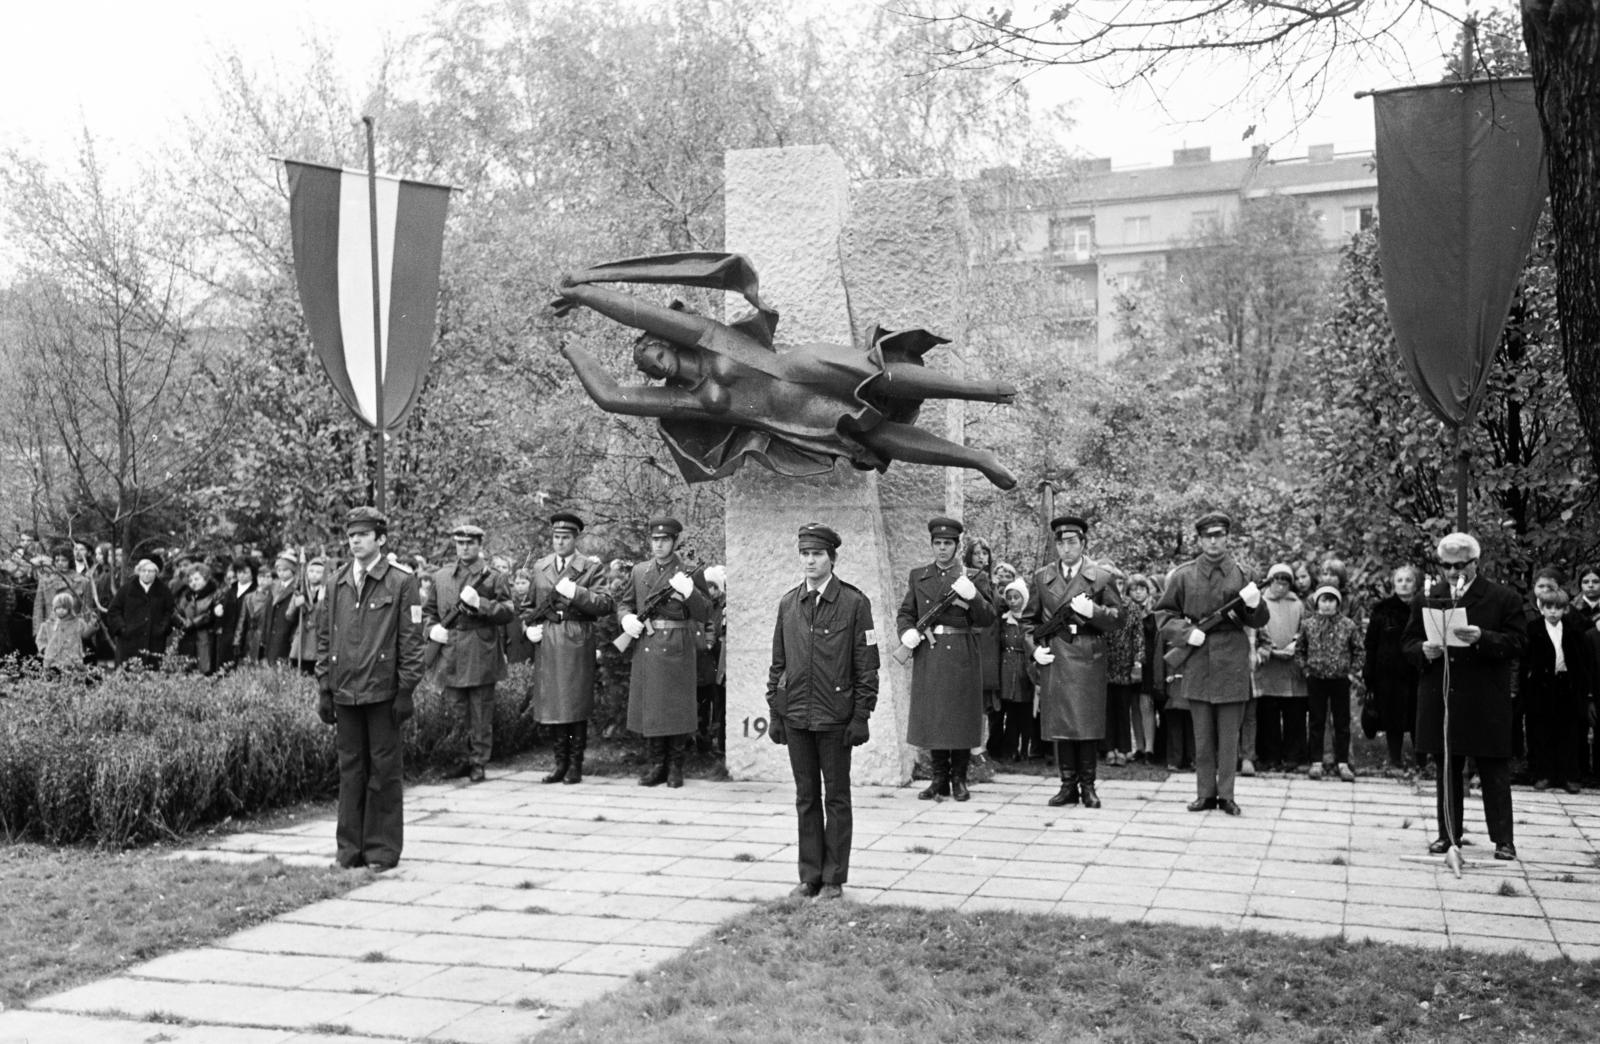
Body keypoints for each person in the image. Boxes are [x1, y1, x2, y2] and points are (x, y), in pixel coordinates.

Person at [552, 254, 1020, 489]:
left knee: (877, 375)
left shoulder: (701, 333)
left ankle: (980, 389)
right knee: (875, 437)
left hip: (803, 367)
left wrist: (585, 293)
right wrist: (573, 350)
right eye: (643, 367)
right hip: (794, 420)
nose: (647, 364)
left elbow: (635, 311)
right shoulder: (686, 399)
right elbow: (612, 397)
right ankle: (976, 458)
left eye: (647, 352)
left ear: (663, 342)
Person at [766, 523, 878, 901]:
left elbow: (867, 666)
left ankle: (833, 878)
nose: (810, 560)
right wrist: (776, 713)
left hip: (835, 718)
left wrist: (861, 715)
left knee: (837, 798)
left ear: (833, 557)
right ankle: (809, 875)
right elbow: (777, 664)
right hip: (797, 717)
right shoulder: (788, 603)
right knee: (806, 797)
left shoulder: (854, 603)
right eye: (805, 554)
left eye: (817, 554)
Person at [1402, 532, 1526, 861]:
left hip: (1485, 697)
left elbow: (1518, 642)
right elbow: (1408, 641)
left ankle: (1503, 839)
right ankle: (1448, 835)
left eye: (1461, 566)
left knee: (1494, 770)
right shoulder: (1428, 597)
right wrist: (1422, 651)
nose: (1454, 573)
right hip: (1443, 696)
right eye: (1447, 566)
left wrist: (1483, 638)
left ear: (1475, 562)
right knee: (1447, 768)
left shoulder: (1502, 598)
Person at [315, 507, 424, 871]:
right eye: (351, 535)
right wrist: (324, 688)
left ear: (380, 539)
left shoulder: (401, 582)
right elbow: (324, 638)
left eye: (363, 534)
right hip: (346, 691)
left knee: (384, 772)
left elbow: (411, 641)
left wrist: (406, 689)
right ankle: (349, 851)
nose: (355, 541)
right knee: (350, 771)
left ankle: (381, 850)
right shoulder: (336, 582)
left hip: (383, 692)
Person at [1154, 512, 1268, 816]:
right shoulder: (1183, 575)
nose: (1214, 541)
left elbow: (1259, 620)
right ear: (1200, 539)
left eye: (1219, 535)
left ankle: (1227, 795)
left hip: (1232, 658)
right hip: (1198, 659)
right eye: (1208, 536)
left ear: (1228, 537)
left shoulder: (1244, 573)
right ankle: (1205, 793)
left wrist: (1256, 605)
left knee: (1229, 736)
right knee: (1202, 736)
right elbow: (1163, 615)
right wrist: (1186, 633)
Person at [1022, 515, 1123, 807]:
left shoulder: (1101, 577)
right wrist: (1033, 649)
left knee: (1086, 723)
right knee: (1062, 723)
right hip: (1056, 653)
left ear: (1083, 543)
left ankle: (1088, 786)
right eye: (1061, 543)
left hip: (1088, 651)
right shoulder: (1042, 577)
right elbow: (1028, 621)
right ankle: (1067, 785)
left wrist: (1094, 612)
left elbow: (1120, 620)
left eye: (1072, 542)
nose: (1066, 549)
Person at [898, 516, 995, 802]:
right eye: (937, 543)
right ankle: (939, 779)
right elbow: (907, 612)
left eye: (948, 544)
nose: (942, 549)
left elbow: (988, 617)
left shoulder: (974, 577)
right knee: (936, 715)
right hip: (931, 650)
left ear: (956, 545)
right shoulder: (919, 575)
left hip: (962, 649)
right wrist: (906, 633)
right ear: (931, 545)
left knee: (960, 715)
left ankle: (959, 779)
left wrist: (974, 596)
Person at [618, 517, 711, 788]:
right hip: (648, 642)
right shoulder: (640, 571)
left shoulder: (689, 570)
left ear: (674, 542)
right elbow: (624, 604)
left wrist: (690, 592)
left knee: (677, 707)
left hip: (677, 642)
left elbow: (705, 612)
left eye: (665, 540)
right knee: (653, 708)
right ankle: (657, 765)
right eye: (655, 540)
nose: (659, 545)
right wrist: (626, 620)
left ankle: (675, 768)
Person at [525, 511, 613, 785]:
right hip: (549, 638)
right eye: (556, 537)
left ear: (576, 539)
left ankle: (575, 764)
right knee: (554, 704)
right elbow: (528, 606)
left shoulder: (589, 567)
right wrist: (527, 629)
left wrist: (577, 593)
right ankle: (559, 763)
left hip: (576, 636)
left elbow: (605, 604)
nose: (559, 542)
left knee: (574, 703)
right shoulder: (540, 567)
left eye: (565, 537)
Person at [424, 523, 516, 784]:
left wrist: (482, 604)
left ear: (479, 545)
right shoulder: (441, 576)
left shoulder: (493, 577)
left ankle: (478, 762)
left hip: (479, 649)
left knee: (480, 711)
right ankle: (461, 758)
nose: (464, 547)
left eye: (470, 543)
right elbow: (428, 611)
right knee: (455, 710)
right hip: (450, 649)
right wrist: (431, 631)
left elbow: (508, 611)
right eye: (460, 543)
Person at [1522, 587, 1590, 794]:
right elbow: (1526, 660)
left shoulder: (1572, 630)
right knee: (1542, 730)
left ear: (1565, 610)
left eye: (1558, 608)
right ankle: (1543, 774)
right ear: (1540, 608)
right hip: (1541, 685)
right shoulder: (1533, 629)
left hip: (1565, 684)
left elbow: (1580, 660)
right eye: (1548, 607)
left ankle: (1568, 776)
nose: (1553, 612)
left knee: (1568, 731)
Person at [1296, 585, 1363, 782]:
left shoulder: (1348, 625)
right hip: (1316, 679)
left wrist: (1351, 673)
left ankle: (1342, 761)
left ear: (1338, 603)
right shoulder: (1308, 625)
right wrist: (1306, 670)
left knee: (1341, 721)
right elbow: (1300, 650)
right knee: (1317, 720)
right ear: (1317, 603)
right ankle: (1316, 761)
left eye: (1331, 600)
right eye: (1323, 600)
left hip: (1340, 679)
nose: (1327, 605)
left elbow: (1359, 651)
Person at [1364, 564, 1422, 774]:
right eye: (1400, 580)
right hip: (1388, 673)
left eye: (1408, 580)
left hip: (1417, 670)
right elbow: (1371, 643)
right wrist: (1368, 673)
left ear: (1416, 584)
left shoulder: (1424, 607)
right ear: (1393, 584)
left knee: (1418, 716)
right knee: (1392, 717)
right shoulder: (1382, 609)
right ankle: (1395, 760)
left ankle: (1422, 762)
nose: (1404, 584)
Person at [1254, 563, 1307, 773]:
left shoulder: (1297, 604)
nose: (1281, 586)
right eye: (1277, 581)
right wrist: (1270, 648)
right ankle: (1269, 756)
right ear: (1270, 581)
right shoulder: (1260, 602)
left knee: (1294, 713)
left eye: (1285, 582)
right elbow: (1257, 628)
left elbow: (1304, 628)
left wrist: (1294, 644)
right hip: (1269, 665)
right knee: (1269, 714)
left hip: (1291, 664)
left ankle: (1293, 756)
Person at [106, 554, 176, 670]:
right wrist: (122, 629)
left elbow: (170, 612)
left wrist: (162, 628)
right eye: (143, 571)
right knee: (128, 675)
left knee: (152, 675)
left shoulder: (164, 591)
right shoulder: (127, 589)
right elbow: (113, 611)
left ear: (156, 572)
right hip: (129, 643)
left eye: (151, 571)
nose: (147, 574)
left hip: (155, 642)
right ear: (138, 571)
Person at [996, 578, 1037, 762]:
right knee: (1010, 712)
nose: (1013, 601)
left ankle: (1026, 748)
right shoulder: (1004, 622)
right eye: (1009, 598)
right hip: (1007, 668)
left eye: (1017, 597)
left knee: (1026, 712)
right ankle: (1009, 749)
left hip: (1025, 668)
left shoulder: (1030, 621)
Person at [696, 563, 728, 753]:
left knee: (718, 704)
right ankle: (703, 741)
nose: (709, 590)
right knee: (703, 704)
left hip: (717, 662)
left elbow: (716, 632)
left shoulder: (723, 607)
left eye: (712, 586)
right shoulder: (705, 606)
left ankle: (717, 741)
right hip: (704, 663)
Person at [173, 563, 222, 674]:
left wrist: (192, 623)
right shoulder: (186, 595)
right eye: (190, 580)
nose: (193, 583)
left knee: (205, 668)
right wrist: (182, 622)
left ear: (205, 578)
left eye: (196, 579)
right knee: (186, 668)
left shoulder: (215, 593)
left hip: (205, 636)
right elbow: (177, 610)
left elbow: (211, 614)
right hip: (187, 637)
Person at [258, 551, 304, 665]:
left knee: (283, 664)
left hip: (286, 634)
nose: (281, 573)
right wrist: (264, 635)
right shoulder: (274, 587)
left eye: (285, 570)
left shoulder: (298, 587)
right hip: (271, 634)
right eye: (279, 570)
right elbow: (267, 613)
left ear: (292, 570)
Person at [36, 590, 92, 673]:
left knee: (73, 681)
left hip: (72, 661)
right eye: (58, 608)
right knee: (52, 682)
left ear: (69, 609)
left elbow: (86, 634)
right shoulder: (48, 624)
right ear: (54, 608)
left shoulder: (77, 623)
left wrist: (93, 625)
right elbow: (40, 639)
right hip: (52, 661)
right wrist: (44, 649)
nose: (60, 610)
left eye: (64, 608)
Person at [216, 555, 257, 668]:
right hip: (227, 635)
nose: (242, 576)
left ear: (252, 573)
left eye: (245, 572)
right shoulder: (231, 590)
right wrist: (218, 610)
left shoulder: (255, 590)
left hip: (245, 636)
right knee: (223, 666)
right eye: (239, 572)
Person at [290, 557, 328, 675]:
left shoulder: (327, 592)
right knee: (298, 672)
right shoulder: (300, 591)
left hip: (317, 639)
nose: (314, 575)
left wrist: (321, 601)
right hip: (301, 639)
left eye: (318, 572)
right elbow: (289, 616)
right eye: (311, 571)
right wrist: (296, 605)